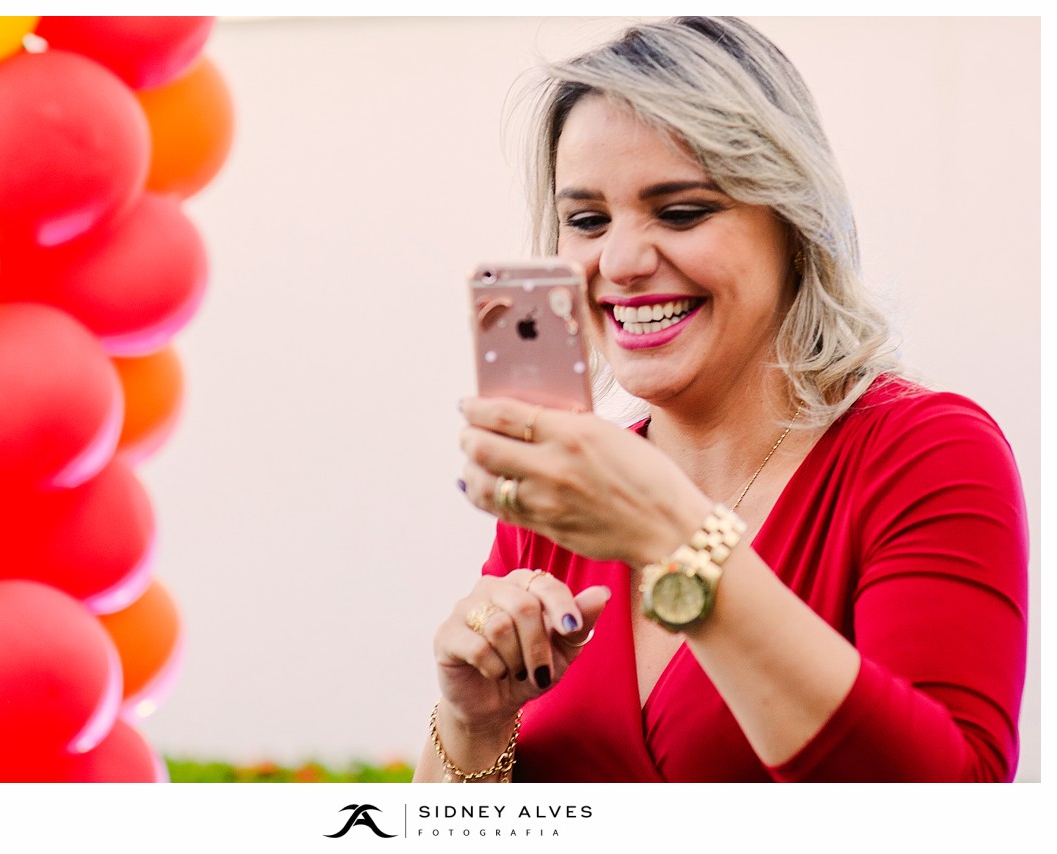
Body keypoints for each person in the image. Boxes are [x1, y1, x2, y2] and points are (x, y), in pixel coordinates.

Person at [413, 16, 1028, 783]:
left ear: (795, 225)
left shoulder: (925, 454)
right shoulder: (562, 501)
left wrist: (676, 535)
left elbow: (949, 811)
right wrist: (471, 721)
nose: (624, 261)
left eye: (681, 211)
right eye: (588, 221)